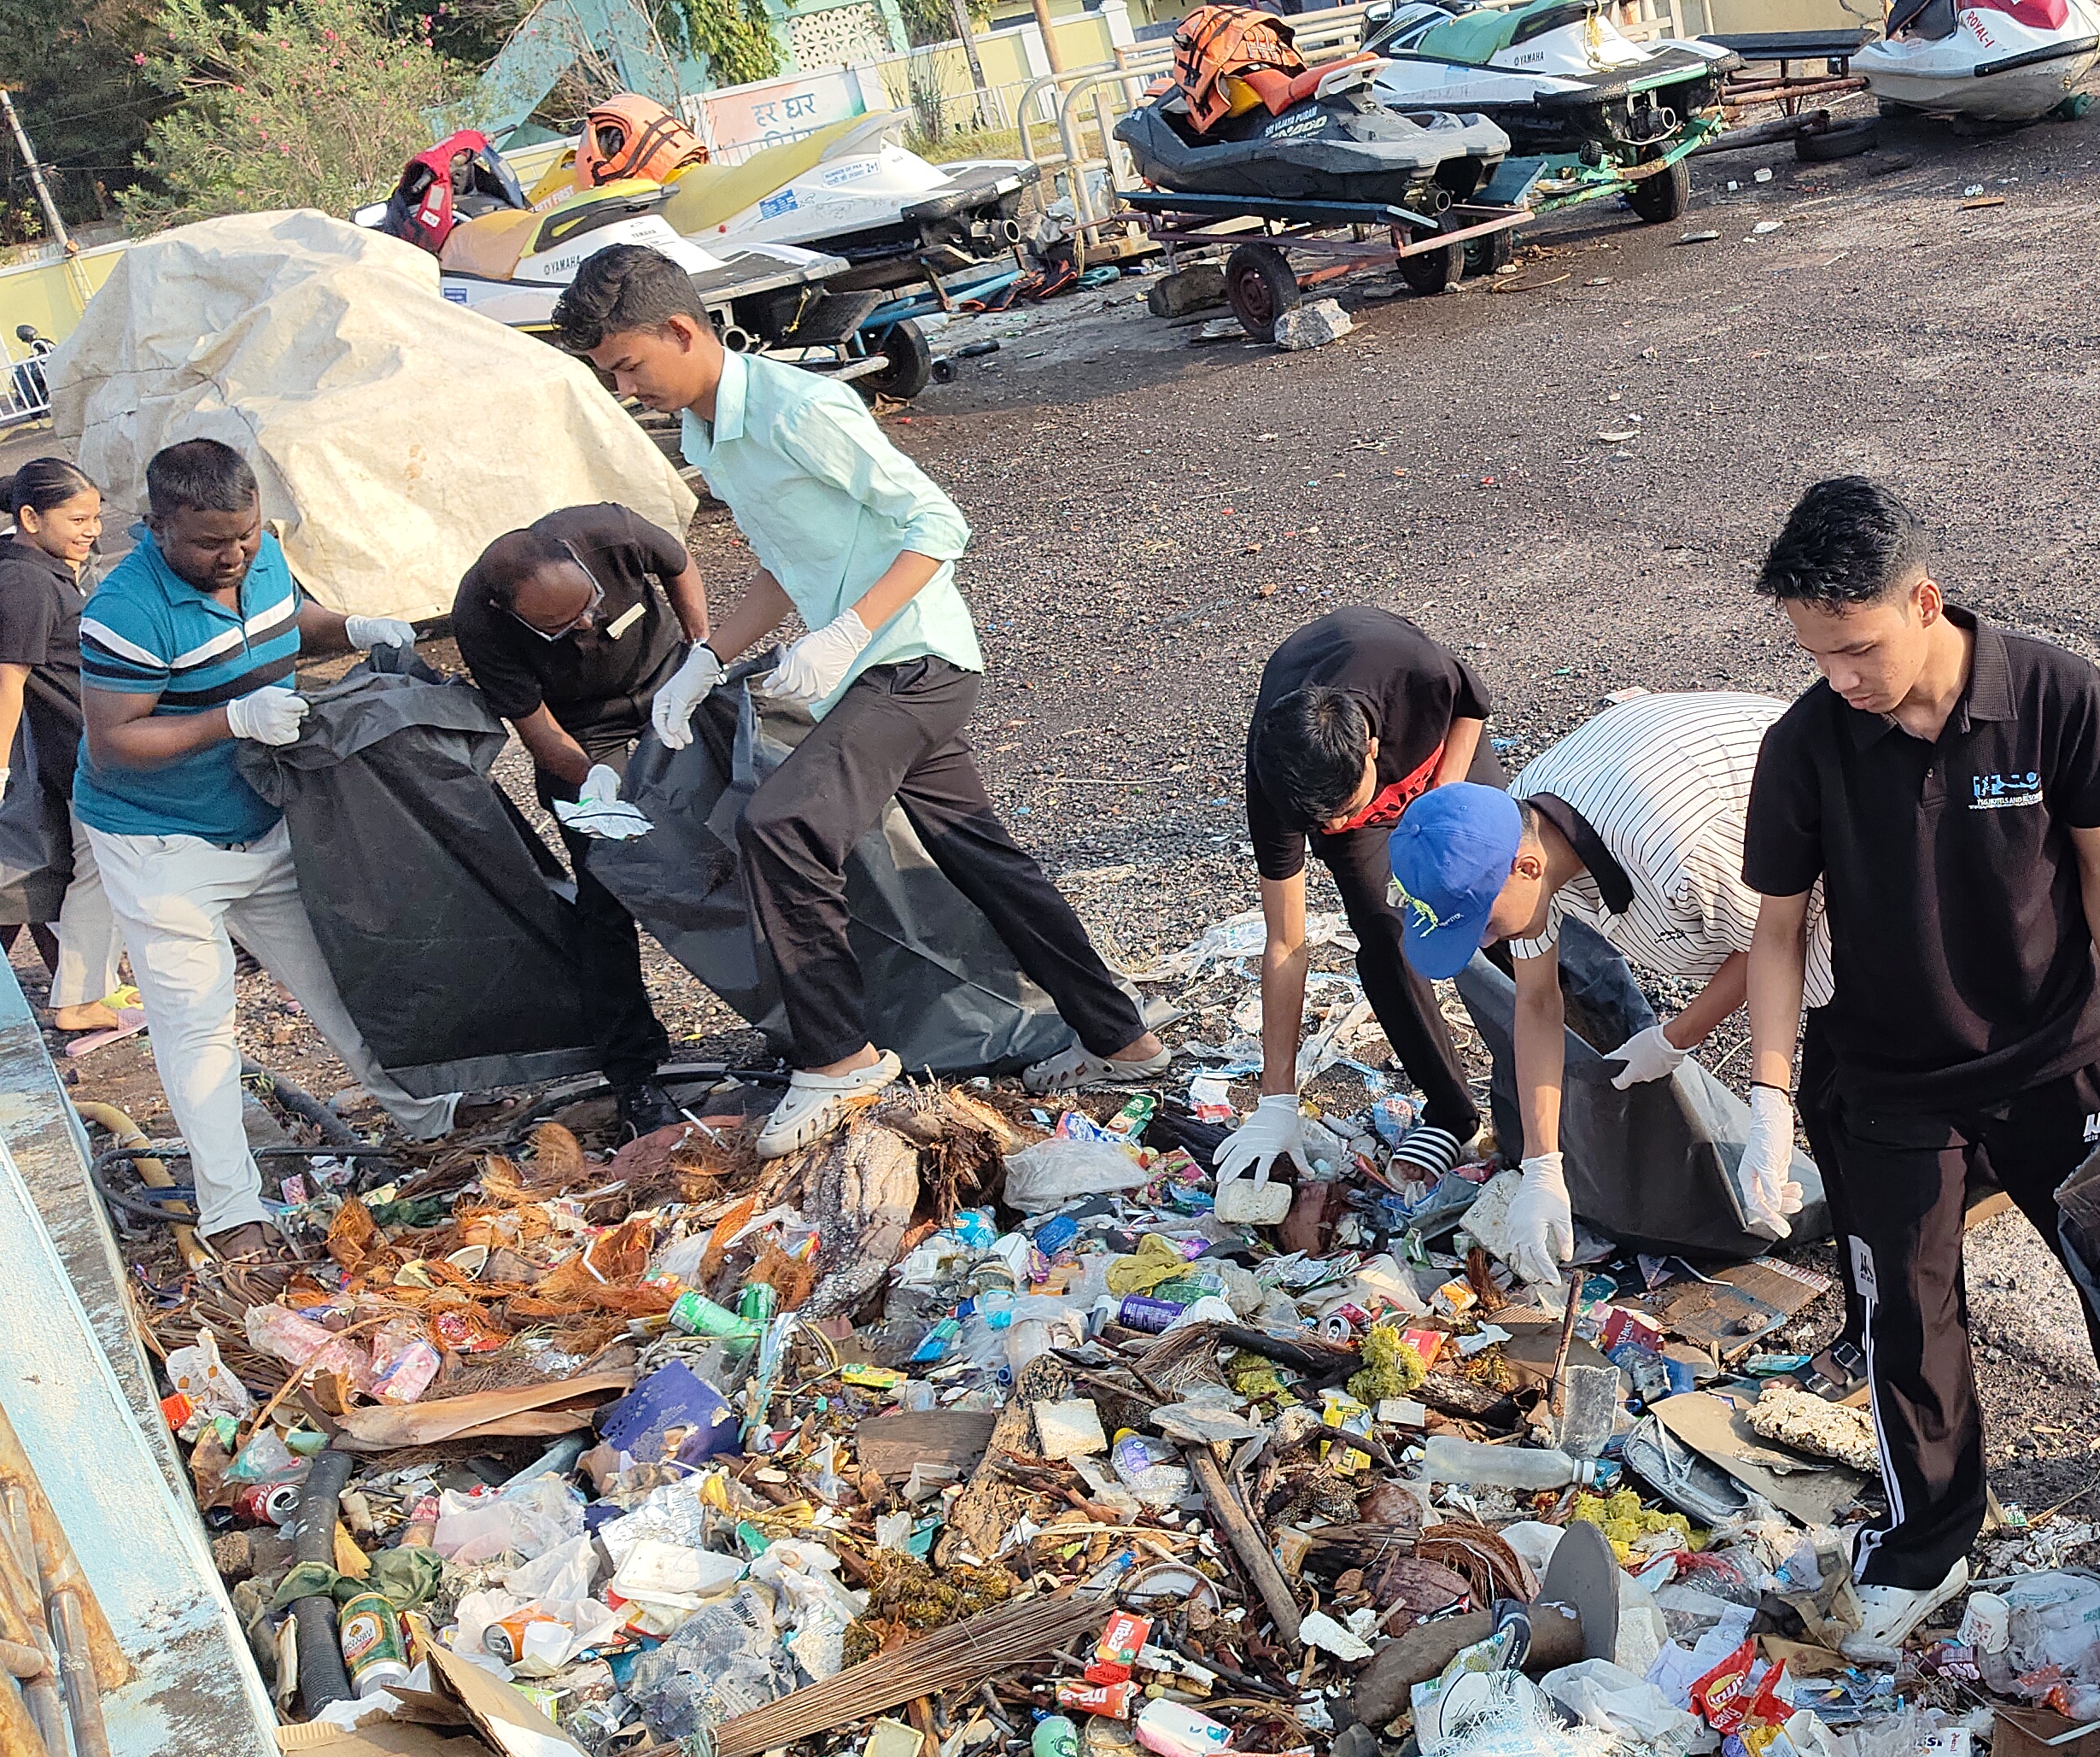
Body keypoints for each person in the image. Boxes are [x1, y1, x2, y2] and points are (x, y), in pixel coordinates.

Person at [550, 245, 1168, 1155]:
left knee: (780, 827)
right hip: (867, 669)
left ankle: (839, 1058)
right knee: (983, 859)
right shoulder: (703, 432)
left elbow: (936, 525)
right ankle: (1125, 1041)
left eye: (629, 366)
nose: (626, 389)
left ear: (681, 330)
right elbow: (782, 557)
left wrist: (847, 630)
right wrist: (703, 658)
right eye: (610, 376)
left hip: (914, 659)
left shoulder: (802, 409)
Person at [1733, 477, 2100, 1641]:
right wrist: (1768, 1102)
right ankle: (1929, 1543)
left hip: (2055, 1053)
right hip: (1886, 1078)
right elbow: (1777, 930)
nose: (1842, 677)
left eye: (1858, 649)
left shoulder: (2054, 694)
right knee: (1906, 1321)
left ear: (1925, 602)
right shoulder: (1806, 744)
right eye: (1818, 655)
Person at [77, 440, 462, 1256]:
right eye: (210, 542)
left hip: (260, 810)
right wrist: (231, 719)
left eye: (246, 535)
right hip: (160, 842)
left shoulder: (260, 557)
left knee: (338, 975)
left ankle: (427, 1117)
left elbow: (289, 623)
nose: (233, 556)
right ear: (156, 527)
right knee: (198, 1022)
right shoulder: (126, 611)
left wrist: (349, 626)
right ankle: (230, 1210)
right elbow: (113, 742)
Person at [1378, 692, 1835, 1284]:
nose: (1486, 937)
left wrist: (1687, 1046)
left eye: (1482, 921)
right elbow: (1539, 1001)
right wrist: (1544, 1166)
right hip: (1699, 823)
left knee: (1854, 1067)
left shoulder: (1670, 852)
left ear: (1527, 869)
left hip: (1830, 817)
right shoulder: (1526, 833)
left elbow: (1773, 940)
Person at [1219, 606, 1508, 1193]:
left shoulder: (1415, 673)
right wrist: (1277, 1098)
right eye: (1324, 822)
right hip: (1348, 798)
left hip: (1441, 759)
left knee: (1503, 905)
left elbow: (1472, 709)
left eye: (1347, 808)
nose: (1339, 822)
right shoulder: (1280, 786)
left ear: (1372, 748)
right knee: (1387, 934)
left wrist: (1440, 802)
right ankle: (1452, 1112)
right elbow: (1286, 942)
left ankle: (1572, 1077)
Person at [451, 507, 715, 1138]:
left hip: (672, 688)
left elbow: (679, 566)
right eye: (563, 625)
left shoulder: (611, 530)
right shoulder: (477, 621)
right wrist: (590, 778)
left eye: (589, 606)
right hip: (583, 733)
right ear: (515, 616)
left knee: (742, 840)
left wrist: (702, 650)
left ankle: (798, 1020)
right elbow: (538, 731)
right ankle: (634, 1072)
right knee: (607, 891)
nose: (587, 624)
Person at [0, 458, 127, 1033]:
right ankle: (79, 997)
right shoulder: (25, 583)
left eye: (96, 517)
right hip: (76, 750)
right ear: (30, 517)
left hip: (75, 746)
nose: (92, 529)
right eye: (77, 518)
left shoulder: (32, 566)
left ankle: (89, 991)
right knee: (104, 867)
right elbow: (8, 683)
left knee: (92, 869)